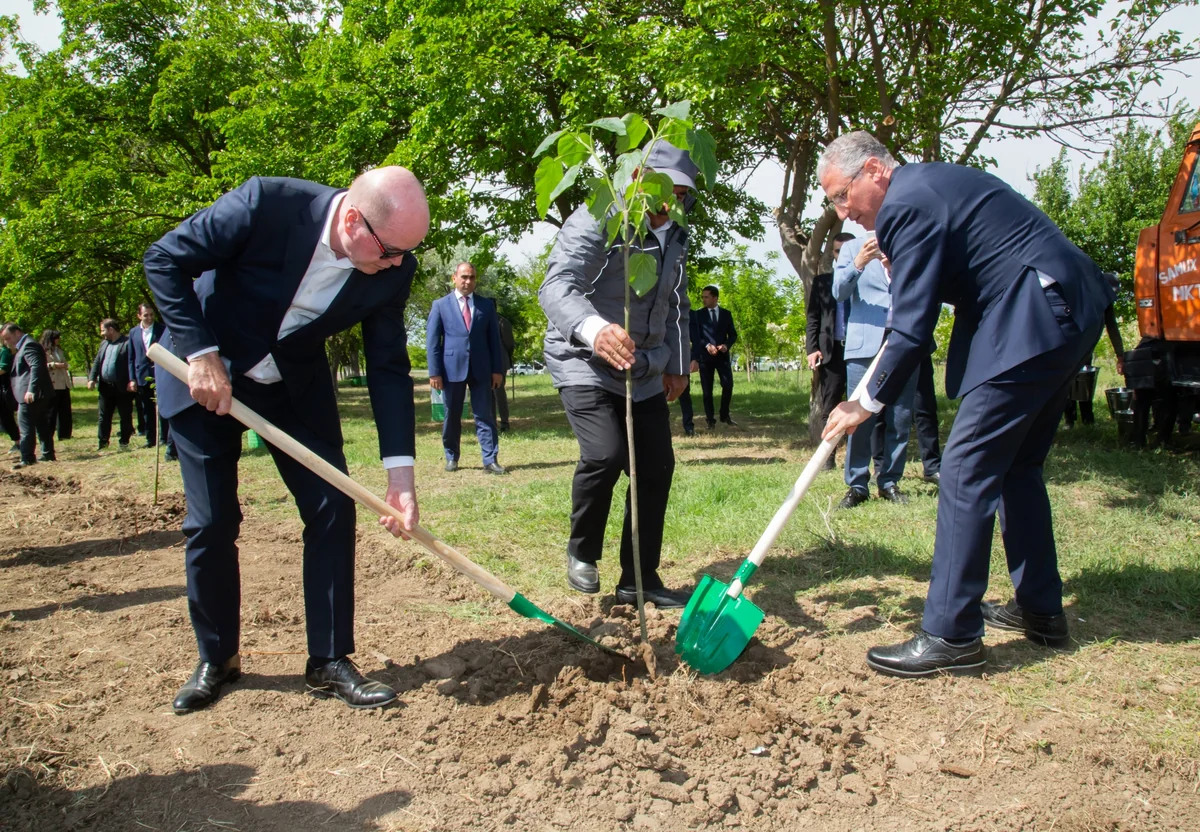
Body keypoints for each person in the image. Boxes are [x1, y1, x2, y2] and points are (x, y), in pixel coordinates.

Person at [820, 131, 1114, 678]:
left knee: (963, 468)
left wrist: (864, 402)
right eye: (832, 202)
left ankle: (952, 635)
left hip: (1035, 312)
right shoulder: (924, 193)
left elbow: (909, 330)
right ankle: (1040, 610)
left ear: (875, 171)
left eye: (841, 196)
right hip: (1065, 309)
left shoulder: (907, 201)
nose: (843, 214)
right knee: (1017, 467)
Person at [144, 167, 429, 714]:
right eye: (390, 251)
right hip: (205, 374)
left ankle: (327, 660)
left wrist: (400, 477)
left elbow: (388, 368)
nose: (397, 264)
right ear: (352, 220)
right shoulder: (265, 204)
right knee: (212, 521)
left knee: (332, 507)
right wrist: (201, 354)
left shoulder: (393, 267)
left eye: (404, 254)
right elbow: (164, 260)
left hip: (291, 386)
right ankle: (217, 657)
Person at [539, 140, 699, 608]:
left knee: (655, 468)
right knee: (606, 453)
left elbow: (676, 304)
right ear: (635, 179)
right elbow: (557, 286)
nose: (670, 203)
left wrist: (676, 363)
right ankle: (582, 551)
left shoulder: (678, 235)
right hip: (584, 359)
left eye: (683, 194)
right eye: (661, 188)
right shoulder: (598, 216)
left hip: (644, 367)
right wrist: (594, 329)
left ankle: (639, 581)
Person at [833, 234, 918, 507]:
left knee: (900, 416)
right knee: (858, 420)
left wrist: (894, 268)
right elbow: (838, 292)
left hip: (903, 341)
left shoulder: (911, 242)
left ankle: (890, 481)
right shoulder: (852, 248)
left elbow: (927, 291)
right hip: (864, 345)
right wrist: (858, 263)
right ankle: (857, 485)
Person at [426, 262, 506, 474]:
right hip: (451, 369)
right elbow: (433, 342)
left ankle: (490, 460)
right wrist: (434, 372)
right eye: (463, 277)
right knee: (452, 415)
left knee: (485, 415)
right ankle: (451, 456)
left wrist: (497, 370)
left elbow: (494, 342)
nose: (467, 281)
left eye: (471, 277)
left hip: (481, 369)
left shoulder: (486, 306)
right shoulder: (440, 305)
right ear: (454, 278)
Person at [806, 232, 854, 469]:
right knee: (830, 404)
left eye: (846, 249)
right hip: (831, 351)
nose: (841, 255)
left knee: (863, 405)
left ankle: (860, 460)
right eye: (837, 251)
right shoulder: (823, 282)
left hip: (860, 351)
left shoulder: (865, 280)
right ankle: (828, 457)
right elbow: (813, 318)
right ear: (832, 254)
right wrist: (812, 348)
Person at [1063, 275, 1124, 429]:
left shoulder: (1106, 304)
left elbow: (1112, 328)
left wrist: (1120, 355)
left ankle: (1087, 420)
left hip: (1086, 349)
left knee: (1084, 382)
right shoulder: (1082, 296)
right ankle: (1069, 420)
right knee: (1068, 384)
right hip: (1070, 346)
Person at [127, 303, 177, 460]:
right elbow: (131, 357)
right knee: (146, 409)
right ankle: (150, 438)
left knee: (163, 408)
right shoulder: (133, 333)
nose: (149, 318)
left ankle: (164, 438)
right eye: (145, 315)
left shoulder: (162, 329)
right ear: (139, 316)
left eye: (151, 315)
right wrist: (132, 379)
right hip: (142, 375)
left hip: (159, 374)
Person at [1, 323, 55, 469]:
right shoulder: (24, 346)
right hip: (35, 393)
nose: (7, 342)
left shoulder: (29, 345)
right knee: (41, 423)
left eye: (8, 338)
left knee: (25, 425)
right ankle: (48, 453)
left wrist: (31, 390)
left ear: (17, 332)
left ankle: (27, 457)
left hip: (31, 394)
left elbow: (36, 367)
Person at [692, 285, 738, 428]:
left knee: (728, 385)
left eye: (706, 297)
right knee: (707, 391)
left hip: (722, 357)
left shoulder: (726, 314)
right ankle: (710, 420)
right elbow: (695, 335)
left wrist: (726, 345)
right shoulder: (697, 315)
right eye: (703, 297)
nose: (703, 299)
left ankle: (725, 415)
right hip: (705, 358)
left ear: (715, 298)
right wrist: (707, 345)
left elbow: (733, 334)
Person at [87, 319, 134, 450]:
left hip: (122, 387)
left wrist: (132, 380)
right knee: (103, 416)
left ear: (111, 329)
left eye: (103, 330)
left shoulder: (127, 343)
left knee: (125, 415)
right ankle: (102, 443)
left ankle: (124, 442)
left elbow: (132, 363)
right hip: (105, 387)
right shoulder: (103, 344)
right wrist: (92, 378)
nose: (102, 333)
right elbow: (97, 361)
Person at [40, 330, 73, 441]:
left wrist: (65, 365)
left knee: (65, 410)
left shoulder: (59, 350)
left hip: (63, 383)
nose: (59, 340)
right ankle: (48, 433)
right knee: (51, 411)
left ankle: (65, 434)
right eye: (56, 338)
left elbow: (64, 362)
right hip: (52, 383)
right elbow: (40, 366)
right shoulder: (43, 351)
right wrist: (54, 365)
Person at [492, 313, 516, 432]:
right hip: (499, 360)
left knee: (497, 393)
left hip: (498, 360)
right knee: (499, 393)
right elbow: (509, 344)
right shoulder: (502, 321)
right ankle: (503, 422)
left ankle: (501, 422)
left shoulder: (501, 321)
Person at [0, 342, 21, 452]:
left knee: (6, 417)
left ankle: (18, 442)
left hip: (3, 389)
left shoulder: (4, 351)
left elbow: (3, 368)